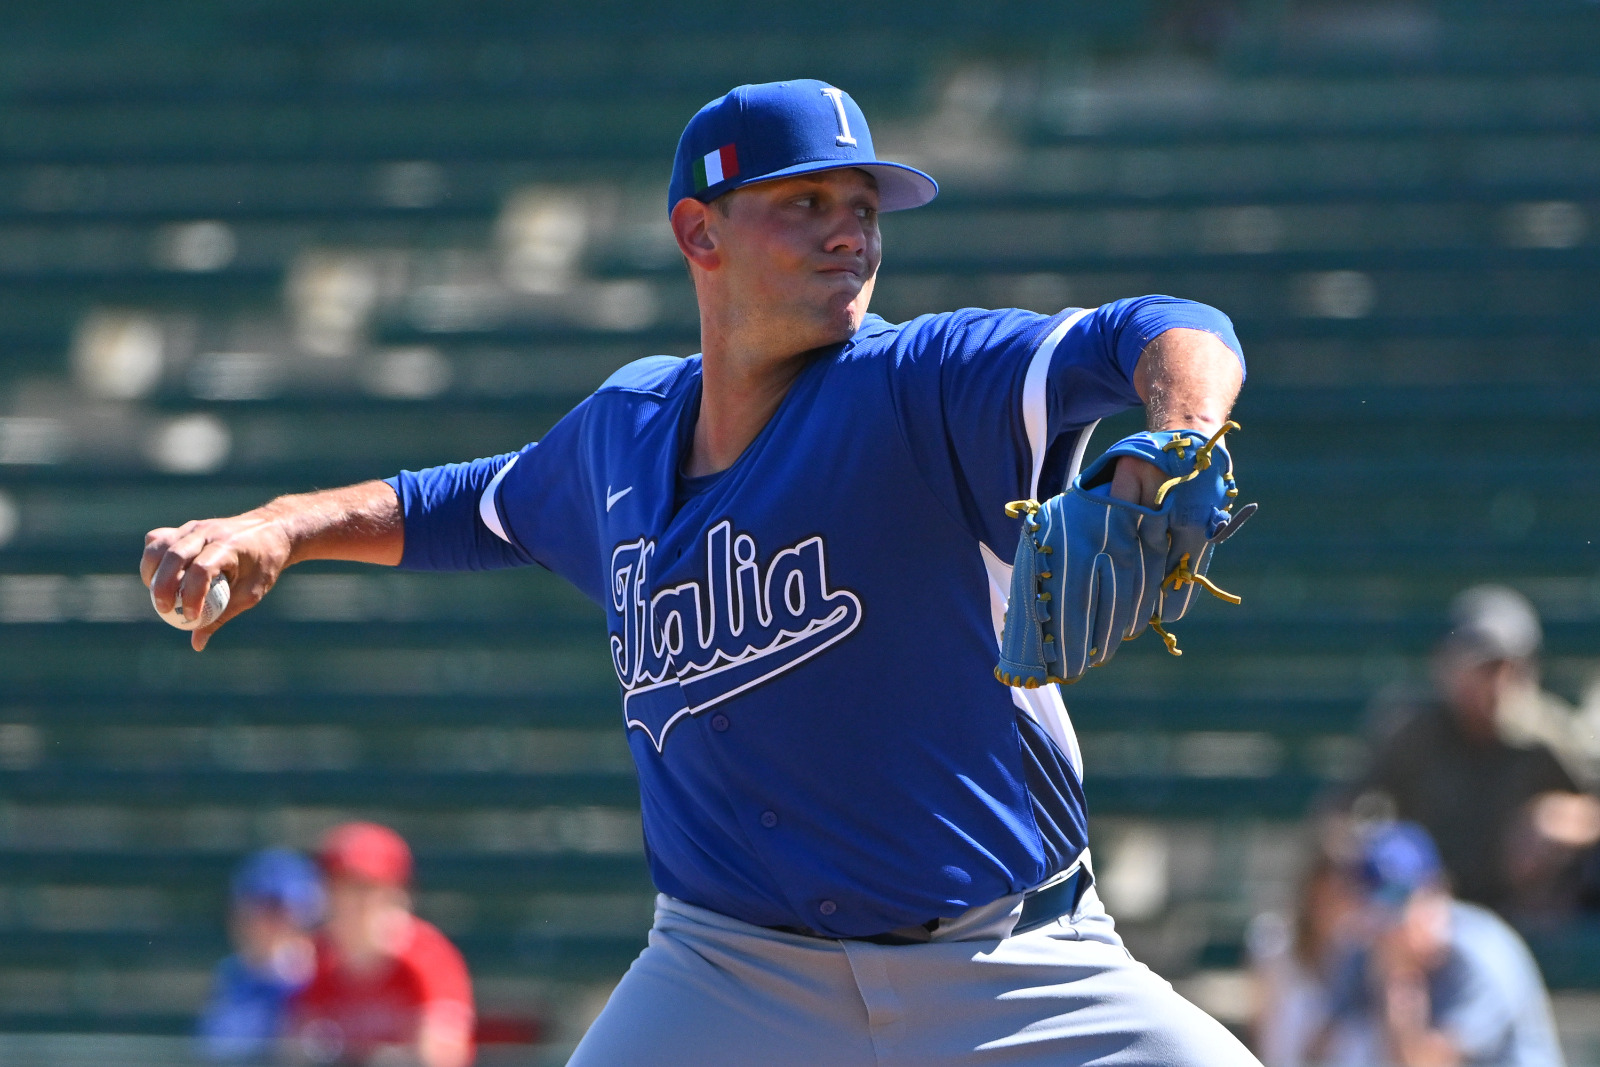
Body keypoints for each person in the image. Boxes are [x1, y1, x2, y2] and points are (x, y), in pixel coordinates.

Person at [145, 80, 1257, 1065]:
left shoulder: (923, 383)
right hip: (731, 972)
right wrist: (285, 525)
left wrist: (1183, 435)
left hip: (1009, 965)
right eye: (803, 204)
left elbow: (1167, 326)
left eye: (863, 208)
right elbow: (464, 505)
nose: (848, 236)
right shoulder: (622, 433)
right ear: (699, 230)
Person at [1356, 585, 1600, 924]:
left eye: (1510, 668)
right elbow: (1348, 813)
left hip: (1526, 917)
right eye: (1484, 668)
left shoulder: (1549, 737)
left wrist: (1563, 819)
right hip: (1427, 918)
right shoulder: (1412, 736)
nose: (1497, 684)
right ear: (1449, 666)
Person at [1296, 822, 1566, 1067]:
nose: (1390, 931)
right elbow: (1314, 1051)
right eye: (1380, 917)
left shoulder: (1480, 955)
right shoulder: (1365, 950)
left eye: (1399, 913)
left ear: (1438, 894)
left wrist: (1398, 990)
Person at [288, 822, 474, 1067]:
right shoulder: (311, 960)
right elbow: (292, 1052)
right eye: (340, 888)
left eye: (365, 889)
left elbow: (443, 1057)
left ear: (396, 893)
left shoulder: (428, 958)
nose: (351, 903)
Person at [198, 849, 324, 1063]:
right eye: (257, 909)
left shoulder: (321, 977)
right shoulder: (230, 977)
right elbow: (213, 1051)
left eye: (278, 910)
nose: (266, 923)